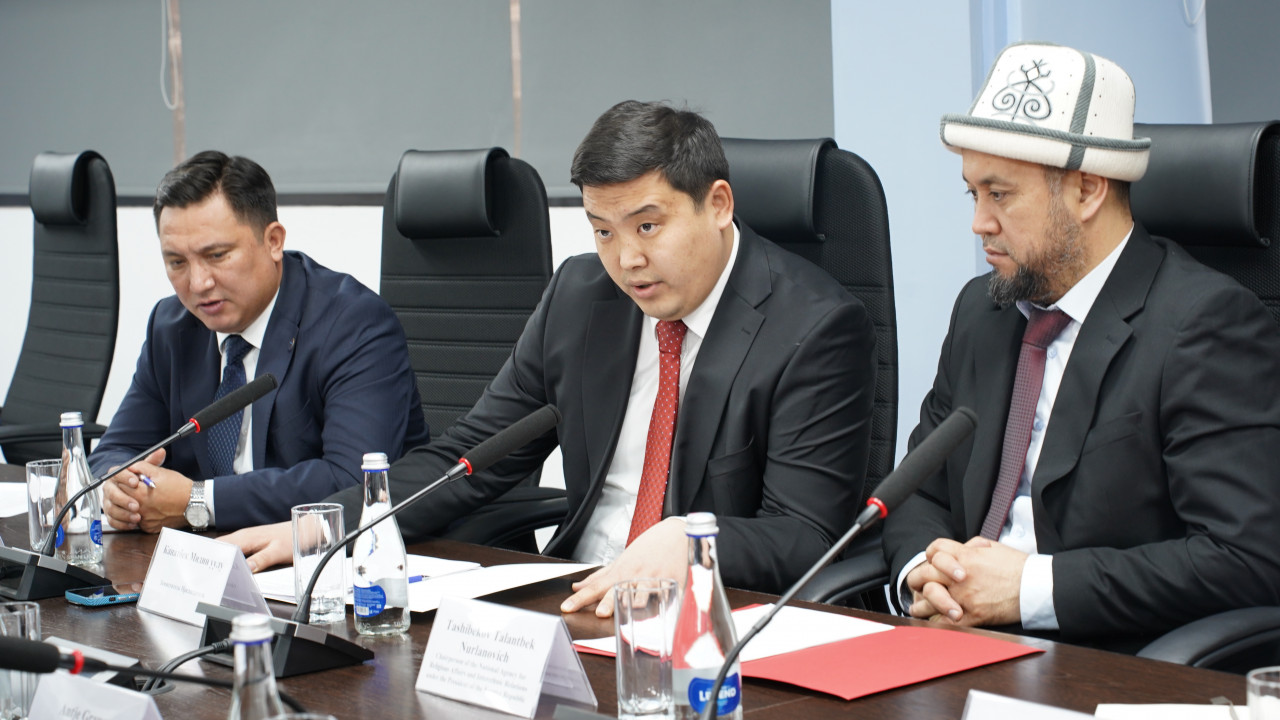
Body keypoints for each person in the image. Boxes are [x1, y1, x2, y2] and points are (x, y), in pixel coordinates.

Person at [224, 100, 877, 616]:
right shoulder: (581, 297)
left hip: (711, 616)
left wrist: (692, 539)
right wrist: (332, 526)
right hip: (574, 596)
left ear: (718, 205)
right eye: (603, 231)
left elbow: (805, 535)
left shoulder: (814, 327)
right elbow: (472, 455)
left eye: (648, 226)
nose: (627, 259)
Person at [882, 42, 1280, 650]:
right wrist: (924, 572)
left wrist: (1028, 589)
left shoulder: (1204, 324)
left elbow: (1243, 558)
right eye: (973, 194)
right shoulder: (981, 310)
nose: (979, 223)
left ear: (1088, 191)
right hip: (951, 641)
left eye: (1000, 194)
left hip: (1101, 659)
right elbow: (917, 489)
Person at [91, 151, 429, 532]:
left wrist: (198, 501)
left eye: (216, 255)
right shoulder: (171, 327)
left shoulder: (353, 324)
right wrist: (120, 491)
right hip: (207, 555)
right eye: (177, 262)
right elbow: (113, 452)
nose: (198, 283)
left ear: (273, 241)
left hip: (328, 554)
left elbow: (353, 481)